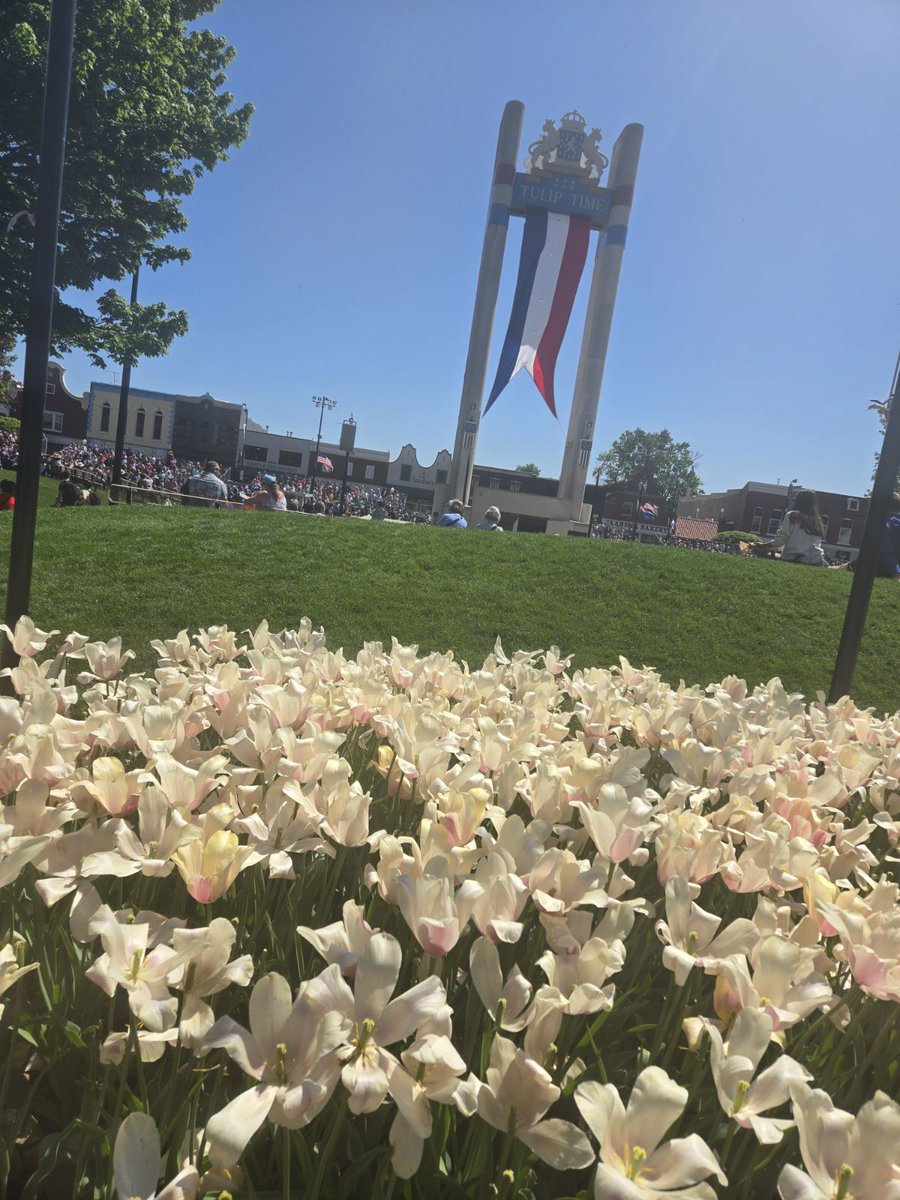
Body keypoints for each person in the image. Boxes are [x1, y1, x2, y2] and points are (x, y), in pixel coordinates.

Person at [753, 490, 826, 565]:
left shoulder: (792, 516)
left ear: (799, 502)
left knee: (763, 555)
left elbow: (779, 541)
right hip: (817, 560)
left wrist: (762, 545)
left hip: (796, 558)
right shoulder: (817, 520)